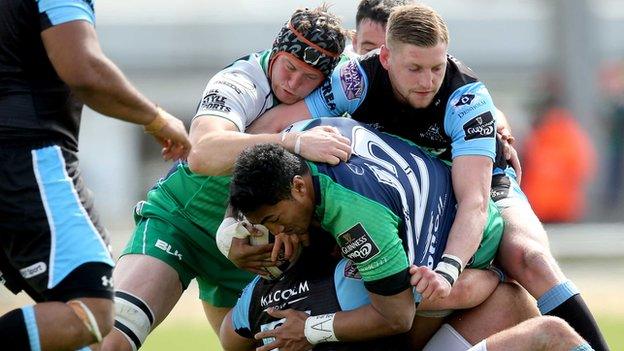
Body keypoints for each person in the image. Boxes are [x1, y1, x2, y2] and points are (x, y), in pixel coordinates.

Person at [247, 4, 608, 350]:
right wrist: (285, 153)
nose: (428, 81)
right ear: (385, 58)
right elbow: (271, 127)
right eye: (415, 69)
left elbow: (475, 201)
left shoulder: (466, 98)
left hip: (477, 184)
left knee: (526, 257)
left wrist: (449, 270)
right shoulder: (357, 78)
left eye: (437, 67)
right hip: (404, 193)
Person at [100, 6, 349, 351]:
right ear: (276, 52)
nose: (294, 84)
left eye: (308, 77)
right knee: (114, 336)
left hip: (258, 249)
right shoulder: (241, 80)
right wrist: (292, 140)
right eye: (289, 68)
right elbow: (203, 153)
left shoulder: (338, 92)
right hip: (182, 224)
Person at [0, 0, 190, 350]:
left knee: (65, 329)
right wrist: (156, 118)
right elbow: (84, 69)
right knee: (92, 311)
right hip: (27, 160)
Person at [228, 117, 506, 349]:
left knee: (410, 300)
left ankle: (494, 276)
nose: (276, 233)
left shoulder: (356, 220)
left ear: (299, 188)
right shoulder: (298, 139)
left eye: (275, 220)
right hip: (430, 186)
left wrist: (310, 329)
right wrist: (232, 230)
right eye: (267, 226)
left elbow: (398, 318)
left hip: (468, 234)